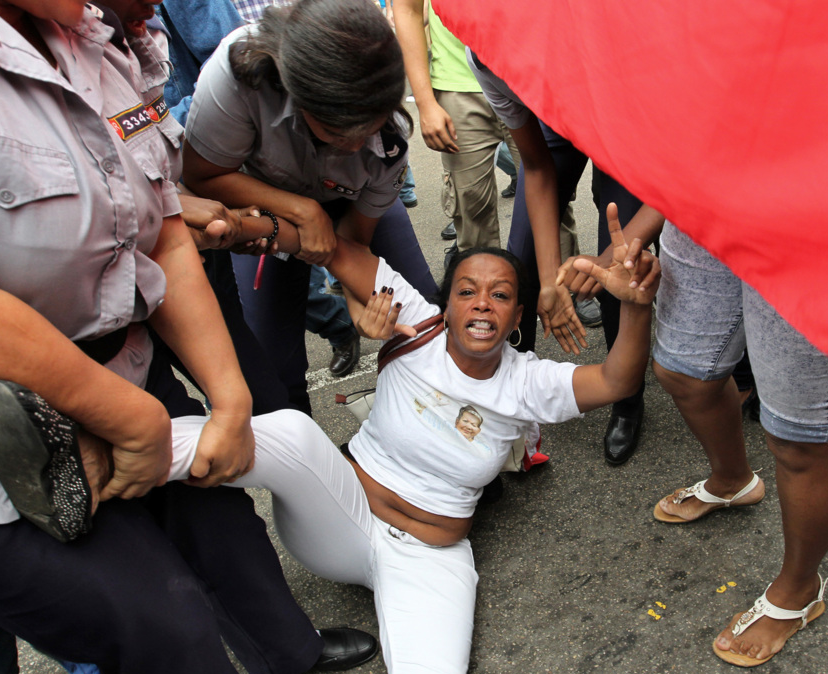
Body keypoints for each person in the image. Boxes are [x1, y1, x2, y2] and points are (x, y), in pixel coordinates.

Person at [91, 199, 654, 674]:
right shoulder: (415, 322)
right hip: (343, 519)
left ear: (517, 314)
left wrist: (633, 306)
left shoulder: (527, 381)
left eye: (501, 295)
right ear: (448, 301)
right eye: (467, 291)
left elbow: (617, 378)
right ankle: (97, 459)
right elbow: (332, 248)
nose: (482, 304)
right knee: (294, 432)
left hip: (430, 556)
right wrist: (246, 227)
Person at [0, 2, 375, 674]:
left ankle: (287, 647)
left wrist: (230, 401)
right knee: (165, 623)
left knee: (223, 521)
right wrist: (128, 418)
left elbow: (161, 232)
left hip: (127, 363)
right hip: (10, 435)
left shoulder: (97, 48)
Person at [181, 0, 436, 413]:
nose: (355, 145)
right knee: (271, 365)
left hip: (352, 211)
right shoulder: (238, 71)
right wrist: (300, 210)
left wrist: (359, 303)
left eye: (367, 129)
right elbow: (201, 174)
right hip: (259, 199)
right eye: (337, 131)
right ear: (294, 94)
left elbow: (353, 243)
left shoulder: (389, 148)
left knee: (422, 312)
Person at [647, 219, 828, 667]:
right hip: (711, 195)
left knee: (801, 438)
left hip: (826, 215)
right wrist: (639, 227)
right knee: (684, 369)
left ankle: (800, 590)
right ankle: (733, 481)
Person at [467, 49, 664, 466]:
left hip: (627, 121)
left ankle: (627, 399)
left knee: (620, 274)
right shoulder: (485, 54)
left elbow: (682, 176)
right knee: (515, 269)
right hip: (556, 127)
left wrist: (612, 255)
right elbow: (537, 167)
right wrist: (549, 281)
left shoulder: (618, 32)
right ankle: (507, 402)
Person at [394, 0, 521, 252]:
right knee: (471, 210)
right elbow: (408, 10)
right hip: (456, 83)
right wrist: (425, 102)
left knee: (551, 204)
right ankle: (481, 285)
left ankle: (560, 288)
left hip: (527, 77)